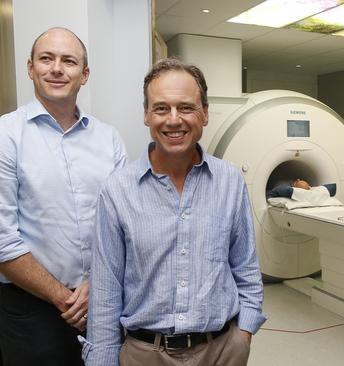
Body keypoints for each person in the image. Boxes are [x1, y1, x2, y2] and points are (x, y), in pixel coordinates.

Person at [82, 58, 266, 366]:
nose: (174, 119)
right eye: (161, 108)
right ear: (146, 115)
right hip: (145, 354)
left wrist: (243, 335)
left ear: (205, 114)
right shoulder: (118, 190)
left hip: (221, 350)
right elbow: (105, 291)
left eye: (186, 107)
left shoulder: (230, 181)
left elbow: (245, 268)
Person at [0, 27, 128, 365]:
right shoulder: (6, 136)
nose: (57, 68)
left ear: (84, 75)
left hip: (101, 302)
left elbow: (123, 226)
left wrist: (94, 287)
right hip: (29, 310)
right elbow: (2, 240)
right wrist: (65, 299)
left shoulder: (109, 140)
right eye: (46, 58)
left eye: (69, 61)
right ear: (30, 68)